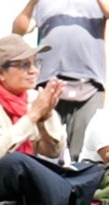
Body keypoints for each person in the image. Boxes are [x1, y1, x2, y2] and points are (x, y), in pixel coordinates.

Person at [0, 34, 104, 205]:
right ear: (1, 72)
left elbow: (52, 153)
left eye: (36, 63)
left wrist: (44, 120)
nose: (34, 71)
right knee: (15, 162)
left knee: (90, 169)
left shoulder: (33, 99)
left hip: (22, 179)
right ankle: (70, 196)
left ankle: (67, 193)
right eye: (24, 65)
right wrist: (32, 117)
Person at [13, 0, 109, 158]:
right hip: (48, 82)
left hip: (89, 84)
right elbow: (18, 30)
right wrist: (32, 3)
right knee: (43, 149)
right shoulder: (44, 3)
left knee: (83, 151)